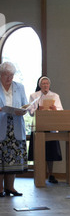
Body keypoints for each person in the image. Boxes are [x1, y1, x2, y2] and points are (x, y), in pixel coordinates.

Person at [0, 62, 28, 197]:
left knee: (13, 159)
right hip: (1, 125)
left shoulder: (19, 87)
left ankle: (10, 187)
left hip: (15, 125)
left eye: (11, 75)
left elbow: (25, 105)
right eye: (6, 75)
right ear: (1, 74)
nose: (9, 78)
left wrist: (23, 111)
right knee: (1, 159)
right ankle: (0, 188)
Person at [28, 76, 63, 183]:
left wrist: (55, 109)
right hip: (39, 126)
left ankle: (50, 174)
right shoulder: (34, 96)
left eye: (47, 83)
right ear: (40, 85)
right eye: (43, 83)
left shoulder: (55, 96)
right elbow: (30, 111)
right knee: (38, 151)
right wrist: (38, 109)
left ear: (49, 85)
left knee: (50, 153)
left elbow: (61, 111)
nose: (45, 85)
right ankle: (39, 174)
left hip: (51, 126)